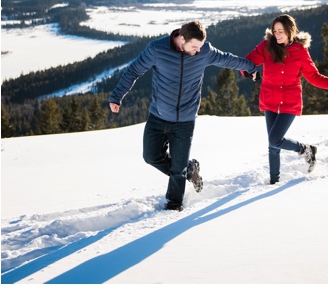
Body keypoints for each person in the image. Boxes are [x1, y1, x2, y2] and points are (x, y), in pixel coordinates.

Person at [109, 20, 256, 211]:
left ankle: (173, 205)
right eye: (194, 46)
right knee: (151, 156)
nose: (197, 50)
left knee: (177, 170)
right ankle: (190, 169)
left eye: (200, 47)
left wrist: (251, 68)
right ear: (181, 38)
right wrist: (116, 96)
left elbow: (229, 59)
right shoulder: (156, 49)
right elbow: (133, 71)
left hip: (185, 120)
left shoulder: (204, 51)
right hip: (158, 115)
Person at [244, 14, 328, 184]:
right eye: (274, 31)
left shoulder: (300, 51)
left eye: (280, 31)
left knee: (275, 139)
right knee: (273, 145)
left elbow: (314, 77)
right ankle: (274, 181)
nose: (277, 34)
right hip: (270, 99)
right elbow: (248, 62)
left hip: (290, 101)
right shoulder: (267, 46)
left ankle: (305, 149)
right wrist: (249, 72)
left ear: (290, 31)